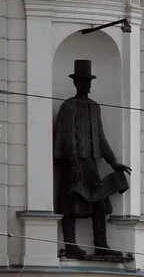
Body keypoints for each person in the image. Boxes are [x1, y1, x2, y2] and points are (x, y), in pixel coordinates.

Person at [53, 59, 130, 260]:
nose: (86, 84)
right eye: (83, 80)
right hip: (73, 163)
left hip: (91, 164)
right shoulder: (68, 106)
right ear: (76, 82)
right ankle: (70, 245)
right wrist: (72, 161)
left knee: (100, 203)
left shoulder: (94, 107)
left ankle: (101, 245)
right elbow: (65, 136)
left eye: (88, 81)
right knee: (71, 202)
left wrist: (114, 163)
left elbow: (101, 139)